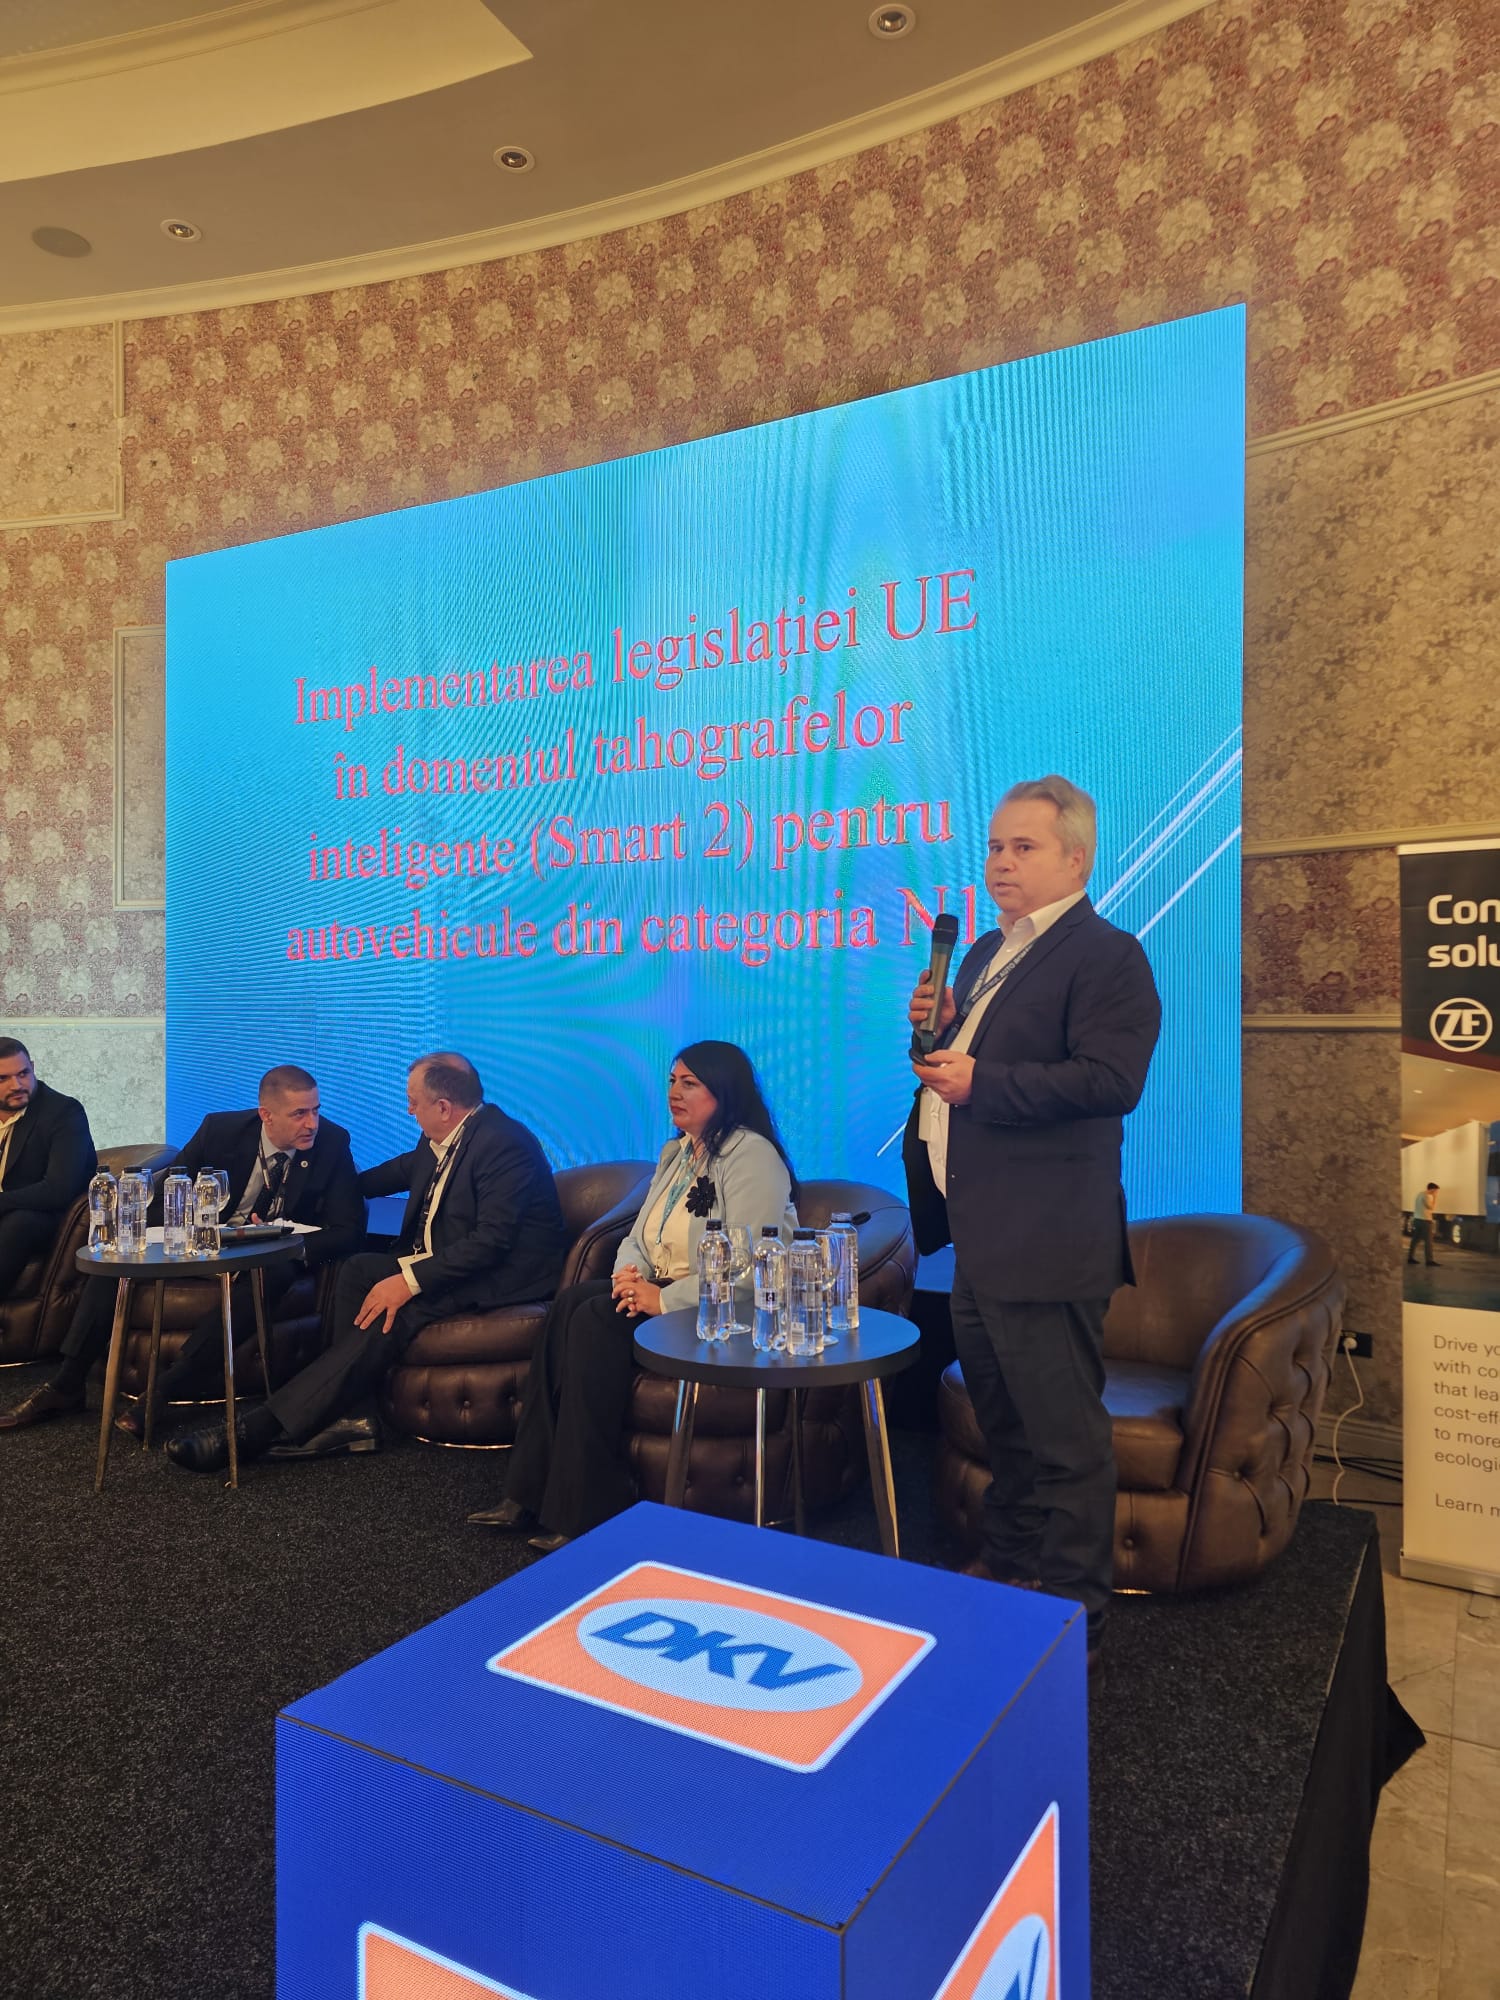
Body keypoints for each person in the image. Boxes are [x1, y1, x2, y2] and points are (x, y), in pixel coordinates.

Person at [902, 776, 1161, 1669]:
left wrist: (984, 1081)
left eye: (1024, 847)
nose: (1000, 863)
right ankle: (1008, 1563)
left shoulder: (1107, 955)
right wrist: (936, 1031)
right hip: (979, 1233)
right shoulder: (984, 952)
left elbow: (1111, 1081)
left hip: (1048, 1239)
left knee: (1063, 1437)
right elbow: (947, 1067)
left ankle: (1076, 1612)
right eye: (994, 846)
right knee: (1002, 1422)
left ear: (1076, 860)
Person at [163, 1052, 567, 1472]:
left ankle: (255, 1431)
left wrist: (408, 1281)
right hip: (450, 1261)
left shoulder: (504, 1143)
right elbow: (386, 1175)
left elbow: (491, 1242)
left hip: (503, 1275)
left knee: (396, 1312)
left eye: (413, 1102)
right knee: (357, 1270)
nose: (409, 1111)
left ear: (444, 1107)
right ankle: (354, 1416)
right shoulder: (444, 1138)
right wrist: (327, 1189)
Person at [468, 1040, 798, 1552]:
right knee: (570, 1306)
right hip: (660, 1290)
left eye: (690, 1083)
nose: (674, 1093)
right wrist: (628, 1277)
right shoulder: (677, 1152)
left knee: (594, 1320)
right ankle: (525, 1493)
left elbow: (749, 1264)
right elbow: (639, 1235)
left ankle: (587, 1512)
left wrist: (660, 1300)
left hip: (719, 1307)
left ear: (725, 1091)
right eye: (672, 1081)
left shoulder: (751, 1154)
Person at [0, 1065, 362, 1431]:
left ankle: (165, 1390)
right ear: (266, 1115)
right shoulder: (220, 1130)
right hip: (205, 1239)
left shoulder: (332, 1143)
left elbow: (348, 1229)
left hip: (271, 1253)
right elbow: (171, 1191)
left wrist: (283, 1239)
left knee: (271, 1272)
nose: (312, 1124)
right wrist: (149, 1238)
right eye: (299, 1114)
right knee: (122, 1256)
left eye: (315, 1110)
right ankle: (67, 1382)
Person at [0, 1038, 97, 1305]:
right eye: (3, 1079)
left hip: (44, 1217)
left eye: (23, 1073)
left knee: (20, 1223)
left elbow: (59, 1189)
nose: (16, 1085)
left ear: (32, 1067)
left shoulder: (63, 1113)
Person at [1407, 1182, 1439, 1266]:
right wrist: (1435, 1198)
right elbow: (1430, 1207)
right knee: (1428, 1241)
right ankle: (1429, 1260)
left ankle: (1410, 1258)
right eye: (1436, 1191)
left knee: (1415, 1240)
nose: (1436, 1193)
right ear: (1432, 1189)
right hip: (1425, 1220)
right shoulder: (1426, 1196)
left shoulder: (1419, 1194)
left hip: (1417, 1219)